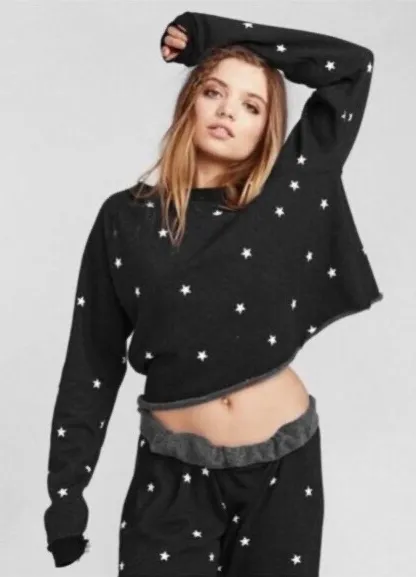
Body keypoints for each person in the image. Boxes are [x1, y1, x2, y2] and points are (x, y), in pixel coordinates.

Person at [44, 10, 383, 576]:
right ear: (189, 103)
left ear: (266, 129)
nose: (228, 111)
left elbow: (353, 67)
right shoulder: (125, 219)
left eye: (252, 105)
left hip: (284, 468)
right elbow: (92, 358)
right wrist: (66, 491)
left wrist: (214, 37)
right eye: (214, 91)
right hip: (171, 473)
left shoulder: (291, 192)